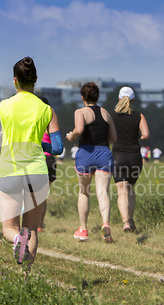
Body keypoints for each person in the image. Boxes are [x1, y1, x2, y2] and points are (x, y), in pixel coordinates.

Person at [0, 57, 63, 276]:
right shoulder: (47, 109)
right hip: (37, 171)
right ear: (35, 79)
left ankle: (17, 240)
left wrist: (3, 135)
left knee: (10, 228)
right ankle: (26, 275)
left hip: (10, 170)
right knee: (32, 228)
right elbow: (57, 148)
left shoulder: (2, 107)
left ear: (14, 81)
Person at [66, 82, 117, 243]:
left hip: (86, 154)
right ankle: (106, 224)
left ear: (82, 97)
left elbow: (79, 130)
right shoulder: (106, 113)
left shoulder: (80, 112)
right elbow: (114, 138)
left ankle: (83, 229)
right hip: (104, 153)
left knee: (84, 192)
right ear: (98, 96)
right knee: (103, 193)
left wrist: (71, 136)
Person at [111, 87, 149, 233]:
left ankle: (125, 221)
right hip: (134, 156)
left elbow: (109, 135)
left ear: (119, 99)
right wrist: (136, 137)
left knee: (121, 191)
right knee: (131, 189)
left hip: (118, 156)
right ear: (133, 100)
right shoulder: (139, 116)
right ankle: (131, 220)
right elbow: (145, 134)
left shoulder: (112, 116)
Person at [37, 96, 57, 233]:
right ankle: (39, 224)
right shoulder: (51, 120)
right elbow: (57, 146)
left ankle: (29, 222)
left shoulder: (33, 121)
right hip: (50, 160)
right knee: (43, 196)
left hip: (36, 159)